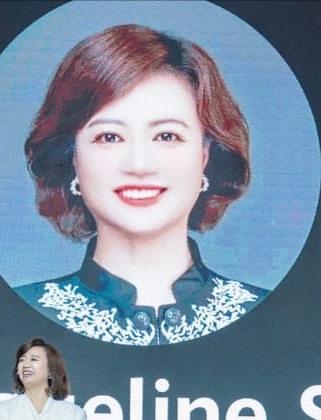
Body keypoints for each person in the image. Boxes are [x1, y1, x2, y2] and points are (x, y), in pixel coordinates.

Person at [17, 24, 268, 346]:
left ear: (205, 155)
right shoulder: (17, 312)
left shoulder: (273, 316)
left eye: (167, 136)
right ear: (72, 159)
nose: (139, 165)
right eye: (110, 137)